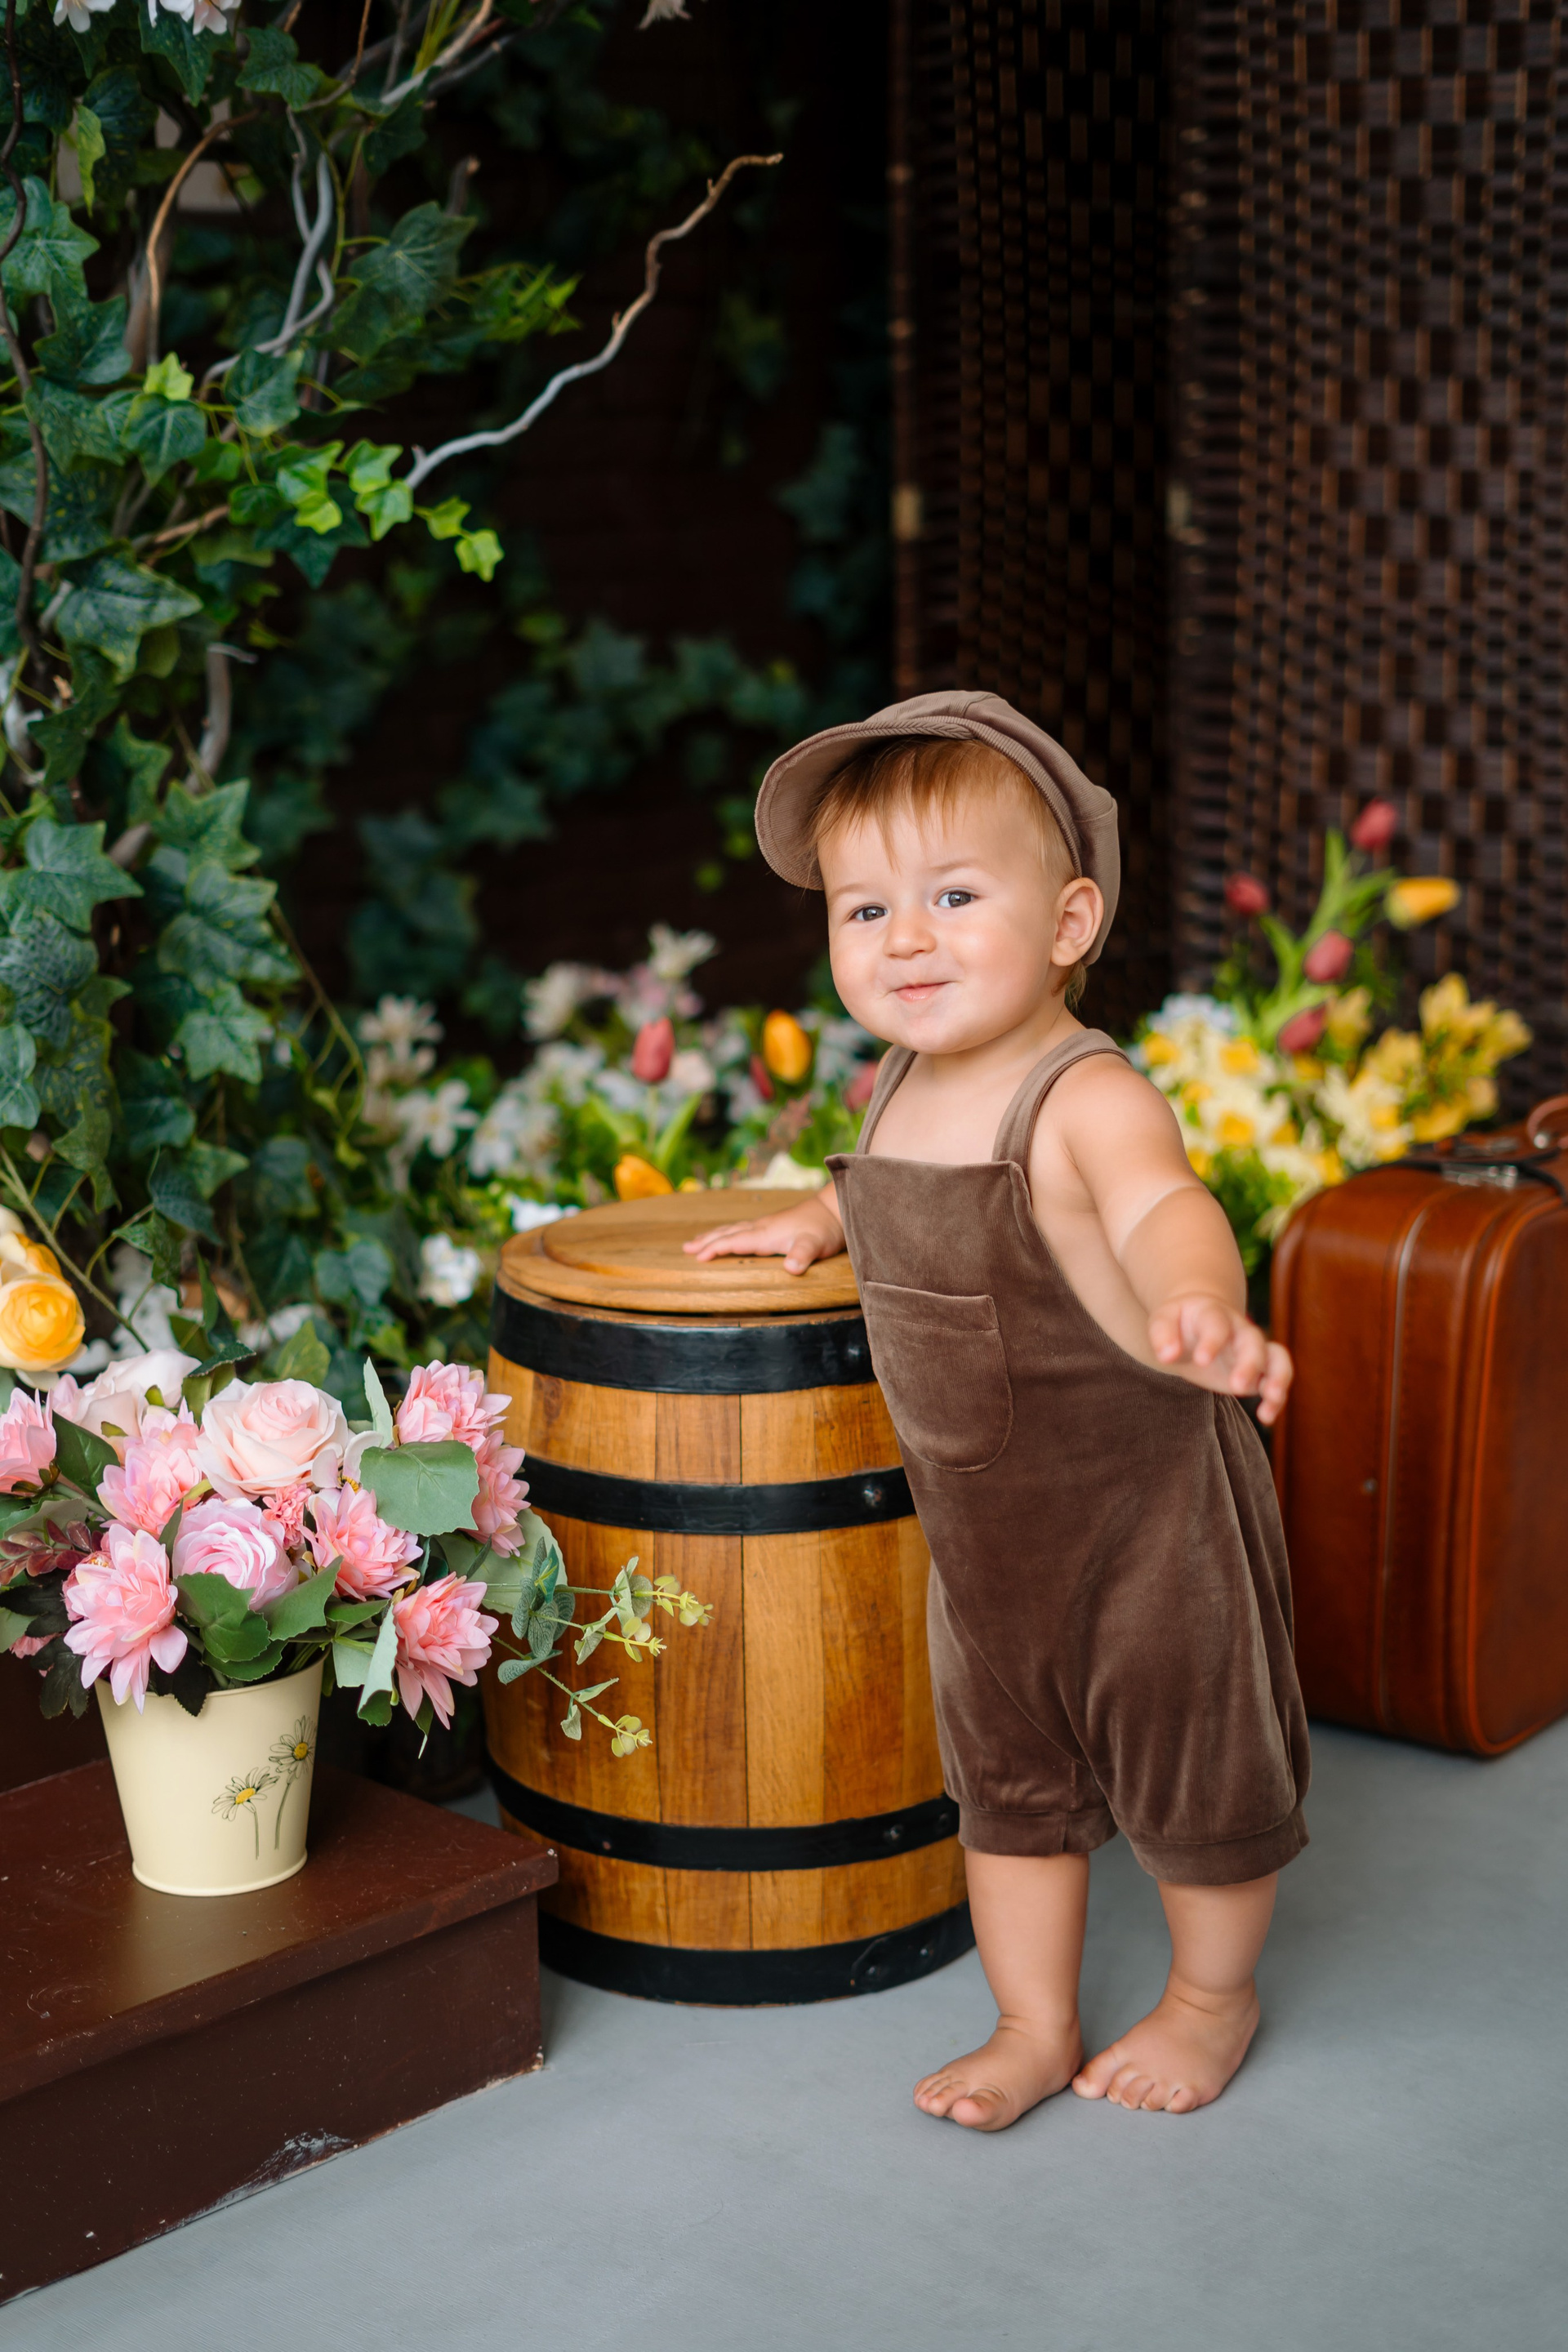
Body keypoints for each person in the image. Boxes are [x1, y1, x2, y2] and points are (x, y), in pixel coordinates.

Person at [687, 690, 1310, 2127]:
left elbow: (1164, 1204)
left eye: (955, 897)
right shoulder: (901, 1080)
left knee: (1197, 1779)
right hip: (986, 1551)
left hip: (1151, 1533)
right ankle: (1032, 2021)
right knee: (1009, 1796)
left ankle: (1211, 1998)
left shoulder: (1083, 1095)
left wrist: (1199, 1300)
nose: (905, 938)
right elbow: (886, 1190)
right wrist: (818, 1221)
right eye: (865, 909)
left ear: (1070, 921)